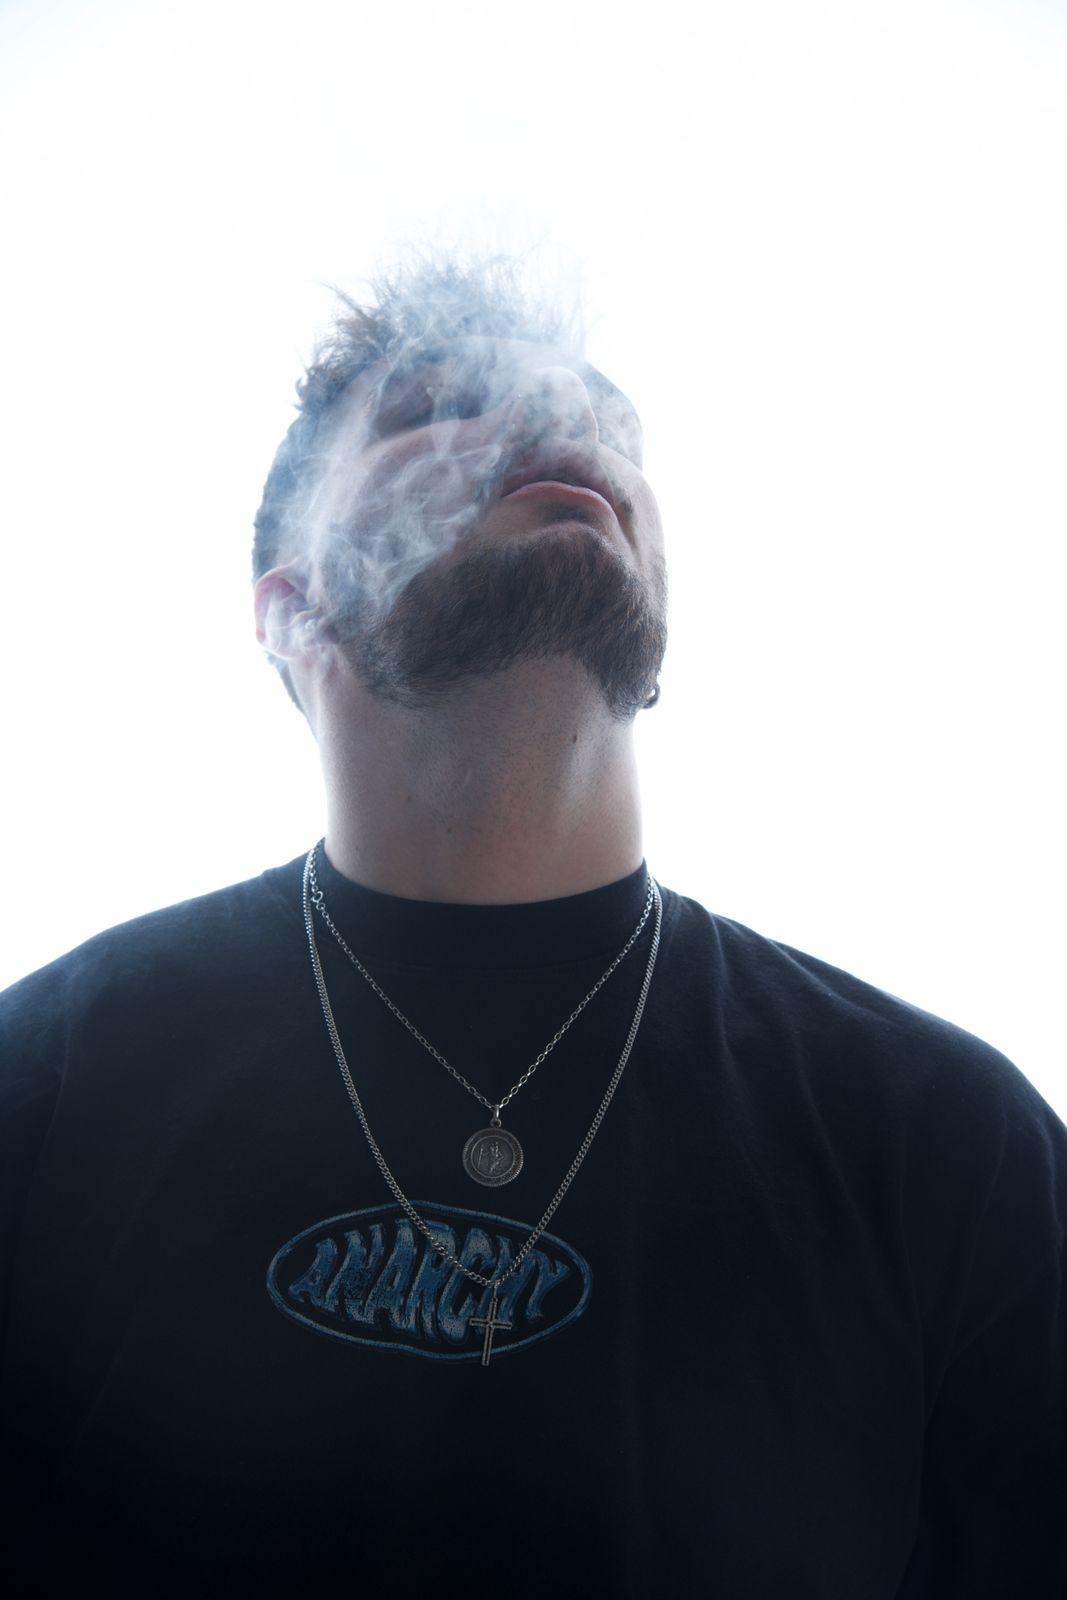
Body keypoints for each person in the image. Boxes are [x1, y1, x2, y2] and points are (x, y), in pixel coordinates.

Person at [1, 256, 1064, 1598]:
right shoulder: (48, 1084)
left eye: (600, 421)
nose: (554, 428)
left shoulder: (946, 1141)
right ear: (291, 608)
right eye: (439, 405)